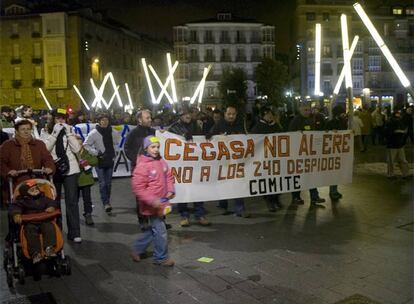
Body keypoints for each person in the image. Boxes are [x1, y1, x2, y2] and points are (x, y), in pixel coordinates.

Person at [131, 136, 175, 266]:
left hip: (162, 203)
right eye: (152, 147)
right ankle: (161, 258)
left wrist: (170, 190)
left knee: (155, 229)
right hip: (152, 205)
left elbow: (169, 176)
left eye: (157, 147)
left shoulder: (161, 162)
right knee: (161, 231)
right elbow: (138, 188)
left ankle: (137, 248)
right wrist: (152, 201)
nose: (156, 150)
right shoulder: (142, 166)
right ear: (146, 148)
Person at [41, 109, 82, 243]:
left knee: (72, 201)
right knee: (55, 201)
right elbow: (46, 149)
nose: (60, 121)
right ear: (52, 119)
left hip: (71, 169)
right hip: (54, 169)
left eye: (63, 118)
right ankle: (57, 231)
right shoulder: (45, 131)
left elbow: (76, 149)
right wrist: (55, 133)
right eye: (58, 118)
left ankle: (74, 232)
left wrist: (69, 134)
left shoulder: (70, 131)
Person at [169, 107, 210, 227]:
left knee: (198, 189)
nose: (187, 116)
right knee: (183, 190)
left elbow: (201, 139)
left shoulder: (196, 125)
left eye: (189, 114)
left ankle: (200, 214)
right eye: (184, 114)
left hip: (195, 163)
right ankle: (184, 216)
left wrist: (207, 135)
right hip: (181, 164)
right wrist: (183, 136)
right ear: (180, 115)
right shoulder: (173, 128)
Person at [208, 104, 250, 217]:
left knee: (238, 183)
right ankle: (223, 205)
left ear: (236, 114)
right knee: (223, 183)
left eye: (233, 114)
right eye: (229, 114)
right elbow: (209, 137)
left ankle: (240, 209)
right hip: (223, 162)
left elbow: (248, 138)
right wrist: (213, 137)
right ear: (225, 114)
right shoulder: (218, 125)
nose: (231, 116)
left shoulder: (241, 124)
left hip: (237, 161)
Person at [9, 179, 59, 264]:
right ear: (25, 193)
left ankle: (49, 248)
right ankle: (35, 253)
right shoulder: (22, 201)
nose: (35, 190)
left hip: (44, 220)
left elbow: (52, 202)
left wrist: (52, 207)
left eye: (36, 188)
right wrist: (16, 214)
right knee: (30, 231)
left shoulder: (43, 198)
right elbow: (15, 207)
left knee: (49, 227)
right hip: (30, 223)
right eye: (32, 190)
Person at [289, 102, 326, 205]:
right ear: (300, 110)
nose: (307, 112)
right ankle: (296, 197)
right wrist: (296, 134)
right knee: (298, 176)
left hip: (309, 153)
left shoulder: (311, 120)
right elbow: (289, 134)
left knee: (311, 175)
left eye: (308, 110)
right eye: (305, 110)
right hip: (298, 153)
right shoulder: (295, 120)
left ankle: (314, 197)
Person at [124, 110, 156, 229]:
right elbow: (126, 148)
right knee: (141, 195)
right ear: (140, 120)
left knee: (155, 192)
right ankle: (143, 220)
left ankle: (157, 220)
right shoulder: (133, 133)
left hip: (153, 168)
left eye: (150, 117)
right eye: (147, 118)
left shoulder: (154, 132)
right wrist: (137, 161)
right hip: (139, 169)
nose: (150, 119)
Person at [84, 113, 120, 213]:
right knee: (102, 183)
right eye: (102, 120)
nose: (105, 122)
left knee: (108, 183)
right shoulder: (94, 133)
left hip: (110, 159)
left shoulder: (113, 131)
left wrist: (115, 152)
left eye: (106, 120)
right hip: (100, 160)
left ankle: (107, 201)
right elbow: (86, 144)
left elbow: (117, 142)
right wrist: (95, 152)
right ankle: (106, 203)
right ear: (99, 121)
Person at [0, 119, 55, 185]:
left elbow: (47, 159)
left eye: (28, 129)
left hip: (36, 180)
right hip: (15, 181)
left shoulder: (39, 144)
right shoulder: (8, 145)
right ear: (17, 131)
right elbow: (1, 162)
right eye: (23, 129)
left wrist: (49, 167)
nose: (26, 131)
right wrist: (8, 172)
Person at [250, 106, 284, 212]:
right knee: (269, 181)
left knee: (278, 180)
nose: (269, 116)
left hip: (276, 158)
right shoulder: (258, 127)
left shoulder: (276, 126)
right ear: (262, 116)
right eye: (267, 114)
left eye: (270, 114)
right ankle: (270, 201)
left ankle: (276, 199)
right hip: (264, 159)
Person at [325, 105, 348, 201]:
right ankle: (333, 191)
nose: (344, 114)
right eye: (342, 113)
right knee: (334, 172)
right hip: (332, 152)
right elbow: (325, 133)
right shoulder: (331, 123)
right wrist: (331, 132)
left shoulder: (344, 122)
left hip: (339, 151)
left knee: (337, 172)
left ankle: (335, 190)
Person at [76, 136, 99, 226]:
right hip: (74, 180)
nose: (79, 145)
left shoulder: (87, 152)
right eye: (77, 143)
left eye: (80, 143)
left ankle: (88, 214)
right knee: (74, 200)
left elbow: (95, 160)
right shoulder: (71, 153)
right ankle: (74, 215)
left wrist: (84, 162)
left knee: (87, 199)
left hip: (86, 179)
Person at [384, 111, 410, 179]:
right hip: (396, 144)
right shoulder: (394, 123)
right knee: (399, 160)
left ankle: (394, 174)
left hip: (395, 144)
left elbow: (387, 134)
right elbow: (388, 133)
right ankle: (404, 174)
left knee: (393, 160)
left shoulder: (392, 123)